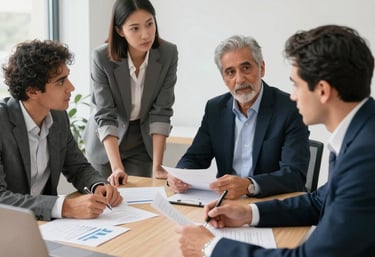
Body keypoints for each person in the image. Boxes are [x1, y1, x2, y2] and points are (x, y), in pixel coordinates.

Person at [176, 24, 375, 257]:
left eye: (296, 84)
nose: (292, 95)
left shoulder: (366, 155)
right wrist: (249, 213)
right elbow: (320, 201)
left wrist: (210, 247)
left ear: (322, 90)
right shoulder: (360, 135)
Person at [167, 35, 309, 199]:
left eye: (246, 68)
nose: (239, 79)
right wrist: (179, 175)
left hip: (272, 203)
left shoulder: (290, 108)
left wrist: (249, 185)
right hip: (228, 203)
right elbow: (195, 157)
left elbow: (294, 175)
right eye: (230, 72)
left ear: (261, 68)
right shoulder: (215, 109)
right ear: (224, 78)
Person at [0, 39, 123, 221]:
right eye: (60, 82)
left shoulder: (57, 117)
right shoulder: (3, 122)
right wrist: (63, 206)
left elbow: (77, 167)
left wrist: (98, 185)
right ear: (32, 91)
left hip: (46, 226)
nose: (71, 87)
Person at [83, 0, 178, 186]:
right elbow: (105, 114)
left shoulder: (168, 53)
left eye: (150, 24)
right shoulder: (102, 57)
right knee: (105, 204)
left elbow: (162, 112)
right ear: (120, 31)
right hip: (106, 142)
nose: (146, 34)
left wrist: (158, 167)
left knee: (141, 201)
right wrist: (117, 167)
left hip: (141, 141)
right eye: (135, 28)